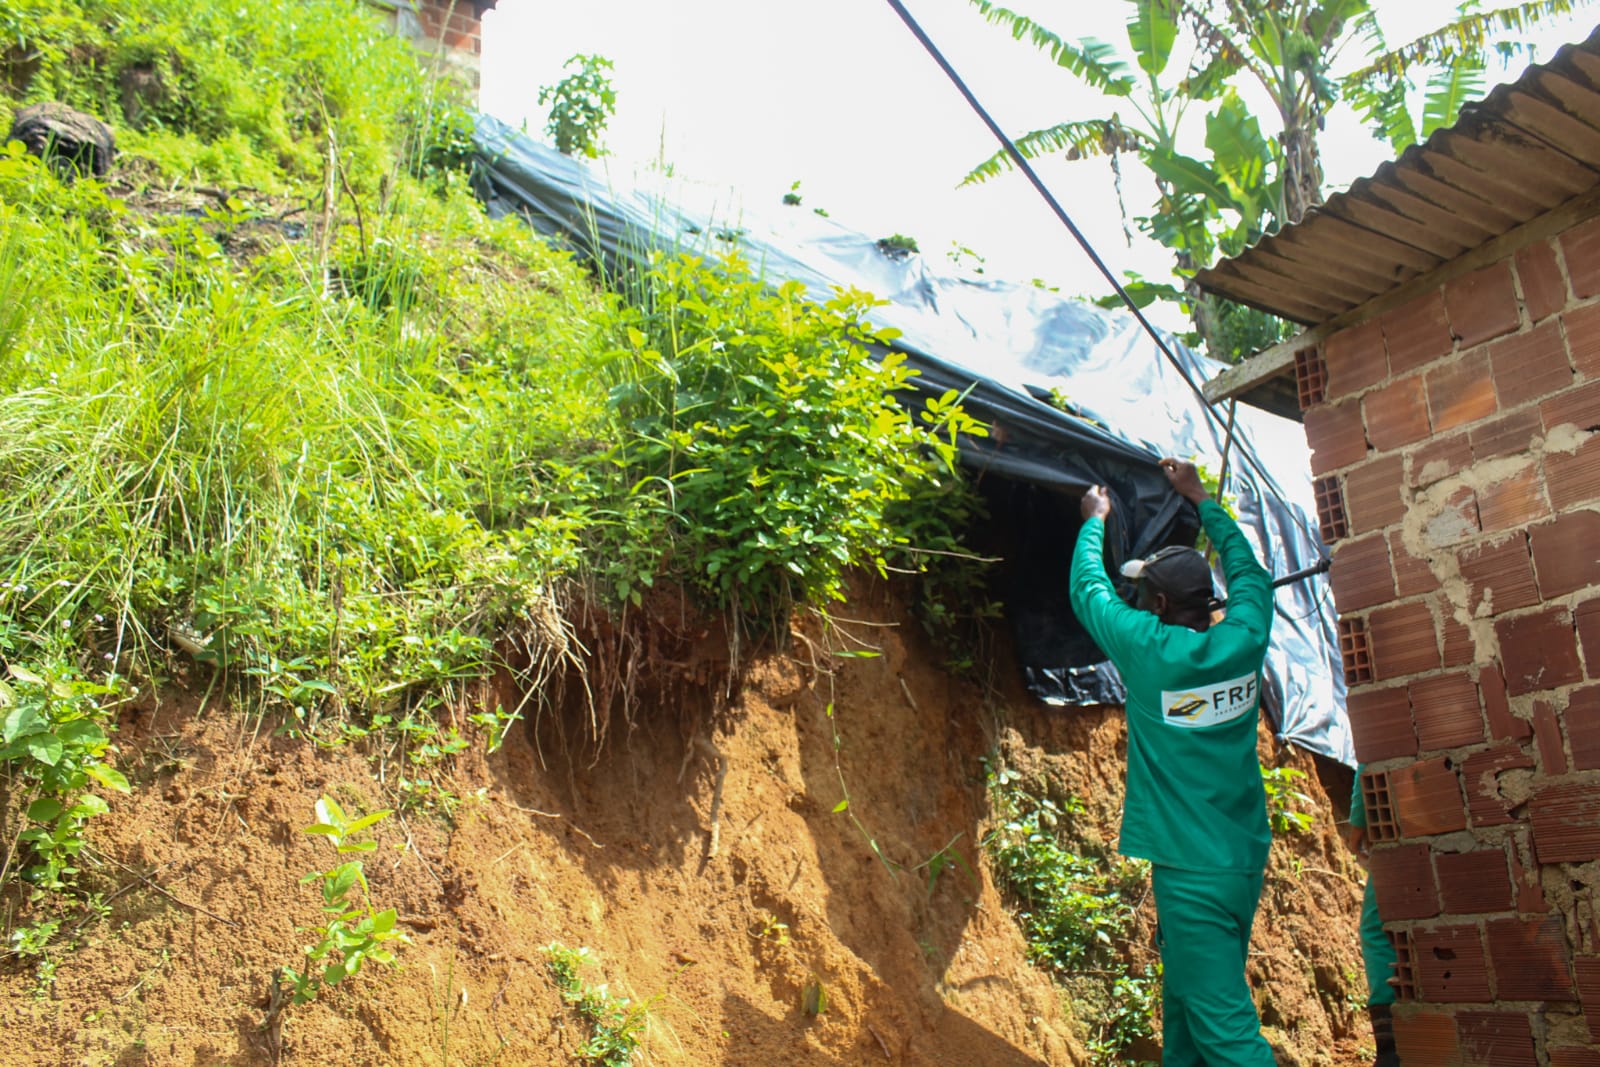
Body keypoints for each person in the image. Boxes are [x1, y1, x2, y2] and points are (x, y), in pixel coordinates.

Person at [1069, 457, 1276, 1067]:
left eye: (1143, 592)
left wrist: (1094, 522)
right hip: (1241, 857)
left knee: (1225, 1031)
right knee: (1187, 1004)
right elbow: (1248, 573)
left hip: (1191, 871)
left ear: (1158, 604)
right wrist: (1202, 499)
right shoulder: (1243, 637)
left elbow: (1089, 590)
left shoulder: (1151, 651)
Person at [1346, 769, 1401, 1066]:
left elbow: (1368, 766)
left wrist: (1356, 830)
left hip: (1399, 839)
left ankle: (1390, 1047)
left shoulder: (1386, 725)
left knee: (1377, 930)